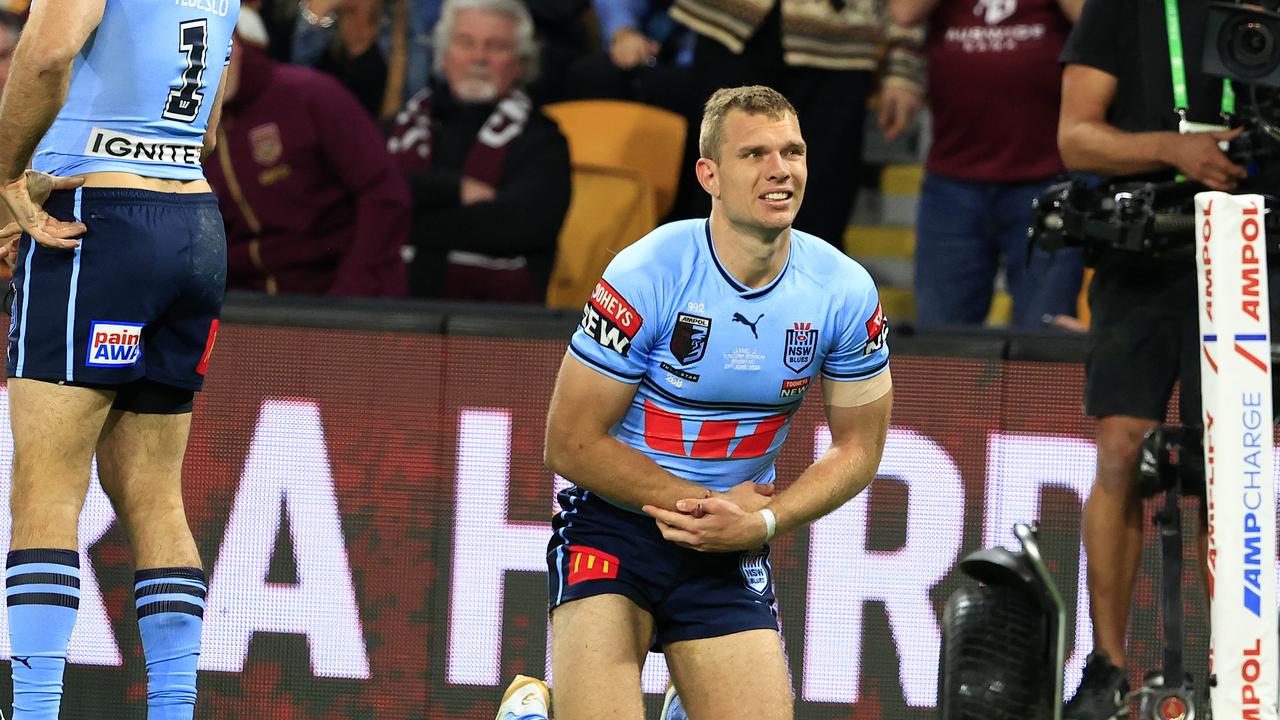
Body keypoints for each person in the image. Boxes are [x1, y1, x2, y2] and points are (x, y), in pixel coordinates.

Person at [540, 85, 892, 719]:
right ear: (710, 174)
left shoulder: (843, 290)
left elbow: (859, 448)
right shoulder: (647, 271)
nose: (779, 170)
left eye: (793, 151)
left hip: (729, 543)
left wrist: (762, 523)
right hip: (615, 529)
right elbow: (569, 442)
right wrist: (707, 509)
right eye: (754, 154)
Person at [0, 0, 238, 718]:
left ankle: (36, 711)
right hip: (194, 222)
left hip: (99, 218)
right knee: (155, 493)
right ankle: (173, 710)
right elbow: (212, 120)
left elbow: (46, 52)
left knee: (46, 488)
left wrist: (8, 178)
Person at [1057, 0, 1271, 717]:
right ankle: (1107, 666)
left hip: (1254, 254)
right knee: (1121, 449)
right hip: (1143, 244)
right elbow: (1076, 137)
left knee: (1232, 463)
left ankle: (1240, 668)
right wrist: (1172, 149)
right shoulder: (1125, 6)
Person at [663, 0, 926, 246]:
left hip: (839, 47)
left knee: (817, 216)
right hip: (730, 28)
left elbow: (907, 11)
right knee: (707, 202)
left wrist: (904, 64)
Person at [892, 0, 1086, 329]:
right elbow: (904, 11)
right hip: (952, 181)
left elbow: (1093, 16)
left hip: (1049, 180)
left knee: (1044, 343)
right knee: (943, 344)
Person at [204, 12, 411, 297]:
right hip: (249, 309)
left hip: (338, 300)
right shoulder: (186, 127)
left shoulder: (309, 95)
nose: (203, 71)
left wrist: (348, 295)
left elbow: (385, 194)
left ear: (236, 44)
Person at [388, 0, 570, 302]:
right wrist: (455, 189)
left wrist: (404, 219)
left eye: (496, 46)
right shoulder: (398, 127)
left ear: (521, 62)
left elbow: (518, 226)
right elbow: (361, 199)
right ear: (443, 55)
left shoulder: (543, 139)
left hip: (494, 327)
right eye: (465, 42)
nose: (479, 57)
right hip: (385, 317)